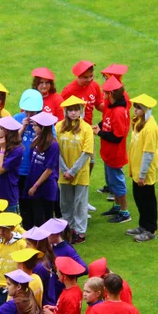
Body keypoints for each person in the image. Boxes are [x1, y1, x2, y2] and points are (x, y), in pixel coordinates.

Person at [57, 95, 93, 243]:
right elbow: (56, 150)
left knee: (80, 204)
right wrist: (65, 169)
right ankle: (68, 229)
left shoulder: (86, 128)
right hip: (63, 172)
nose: (73, 113)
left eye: (76, 110)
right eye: (70, 110)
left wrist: (72, 171)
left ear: (80, 111)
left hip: (80, 173)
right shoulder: (59, 127)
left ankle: (80, 232)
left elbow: (87, 152)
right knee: (65, 203)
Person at [94, 76, 131, 223]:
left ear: (111, 94)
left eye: (105, 93)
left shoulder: (119, 112)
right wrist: (99, 125)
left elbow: (117, 137)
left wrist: (99, 133)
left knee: (118, 184)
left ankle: (124, 212)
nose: (103, 96)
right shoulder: (110, 107)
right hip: (108, 153)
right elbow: (106, 121)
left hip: (115, 155)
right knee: (112, 182)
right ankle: (117, 206)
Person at [125, 93, 158, 242]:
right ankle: (142, 225)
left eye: (138, 108)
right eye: (135, 107)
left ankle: (150, 229)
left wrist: (142, 174)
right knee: (139, 197)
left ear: (145, 109)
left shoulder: (150, 128)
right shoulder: (138, 121)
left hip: (144, 171)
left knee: (147, 199)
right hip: (137, 168)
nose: (135, 110)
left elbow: (148, 153)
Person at [23, 111, 59, 229]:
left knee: (46, 219)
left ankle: (47, 245)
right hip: (34, 181)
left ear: (43, 127)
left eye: (35, 125)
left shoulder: (53, 145)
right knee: (36, 217)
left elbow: (49, 169)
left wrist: (35, 186)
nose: (33, 127)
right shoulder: (36, 139)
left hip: (45, 186)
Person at [0, 116, 23, 212]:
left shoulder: (17, 150)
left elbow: (0, 170)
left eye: (0, 128)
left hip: (8, 193)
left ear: (9, 131)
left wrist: (2, 149)